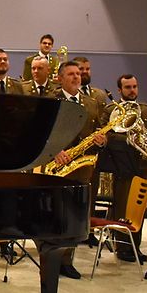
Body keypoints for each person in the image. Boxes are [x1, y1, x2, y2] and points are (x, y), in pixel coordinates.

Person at [50, 60, 107, 279]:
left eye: (78, 74)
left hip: (82, 167)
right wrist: (55, 150)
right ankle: (52, 259)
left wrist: (101, 140)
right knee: (57, 214)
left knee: (75, 214)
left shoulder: (90, 103)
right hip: (57, 167)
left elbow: (98, 130)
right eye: (71, 74)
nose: (76, 77)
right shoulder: (51, 100)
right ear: (60, 78)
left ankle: (67, 261)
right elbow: (42, 132)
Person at [105, 73, 147, 262]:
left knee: (138, 208)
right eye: (128, 87)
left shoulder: (145, 109)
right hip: (123, 166)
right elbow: (105, 133)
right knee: (122, 208)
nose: (132, 90)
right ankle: (122, 247)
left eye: (134, 86)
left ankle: (135, 247)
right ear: (119, 90)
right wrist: (129, 140)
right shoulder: (111, 109)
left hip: (143, 166)